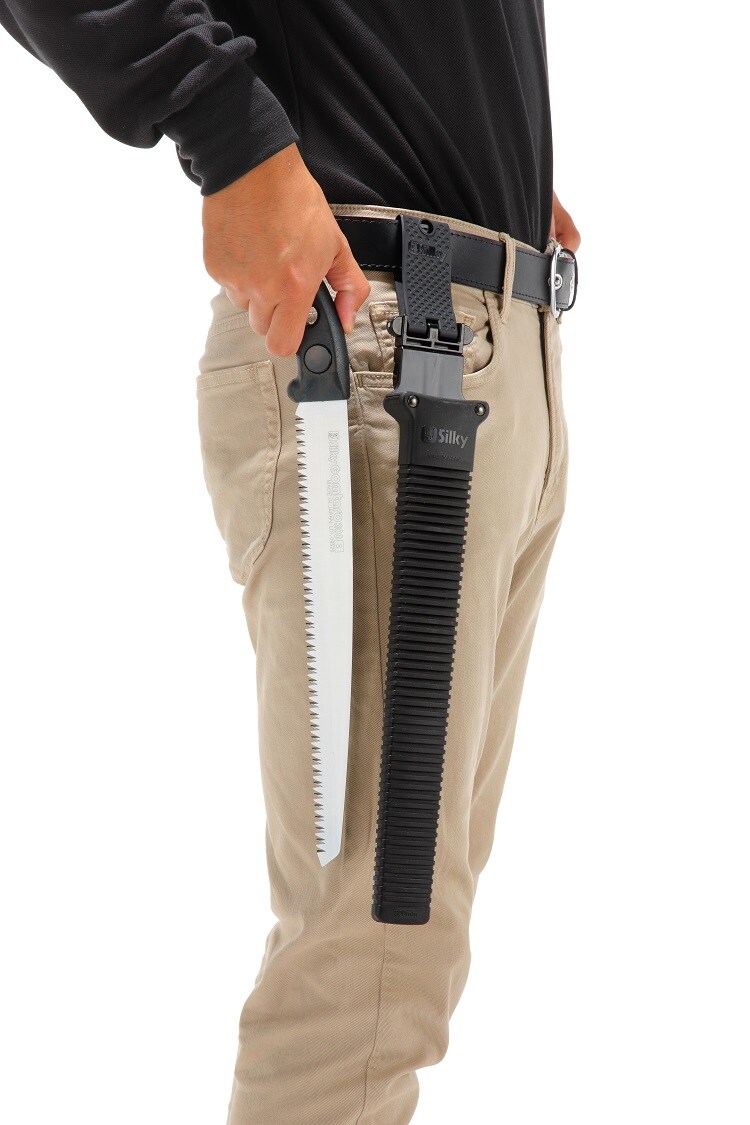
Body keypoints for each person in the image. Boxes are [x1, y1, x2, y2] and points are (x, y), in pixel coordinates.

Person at [0, 2, 581, 1121]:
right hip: (381, 343)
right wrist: (230, 133)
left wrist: (499, 160)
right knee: (368, 966)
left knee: (404, 938)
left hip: (482, 333)